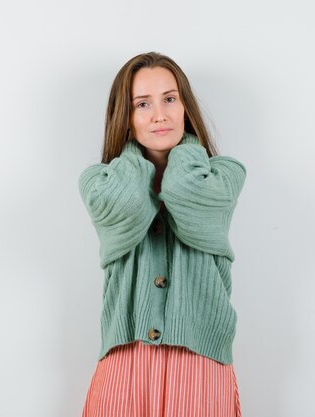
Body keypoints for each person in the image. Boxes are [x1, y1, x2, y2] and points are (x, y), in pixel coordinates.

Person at [78, 51, 247, 416]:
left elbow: (186, 196)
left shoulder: (224, 176)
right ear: (125, 117)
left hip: (201, 362)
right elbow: (128, 207)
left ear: (185, 107)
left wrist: (186, 149)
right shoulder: (99, 183)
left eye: (170, 99)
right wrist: (133, 157)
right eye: (143, 104)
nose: (160, 114)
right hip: (125, 360)